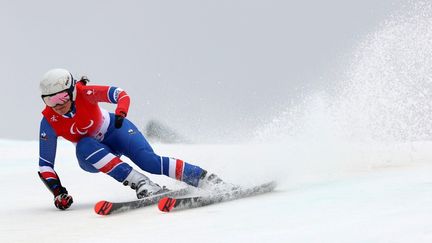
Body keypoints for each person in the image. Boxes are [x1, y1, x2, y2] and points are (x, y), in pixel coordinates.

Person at [38, 68, 221, 210]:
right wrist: (58, 192)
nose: (57, 106)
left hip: (116, 131)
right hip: (92, 155)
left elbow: (120, 94)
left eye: (61, 97)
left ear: (72, 91)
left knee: (150, 162)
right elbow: (45, 165)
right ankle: (142, 184)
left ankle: (208, 180)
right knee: (84, 144)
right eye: (50, 101)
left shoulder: (85, 92)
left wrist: (121, 112)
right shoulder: (49, 121)